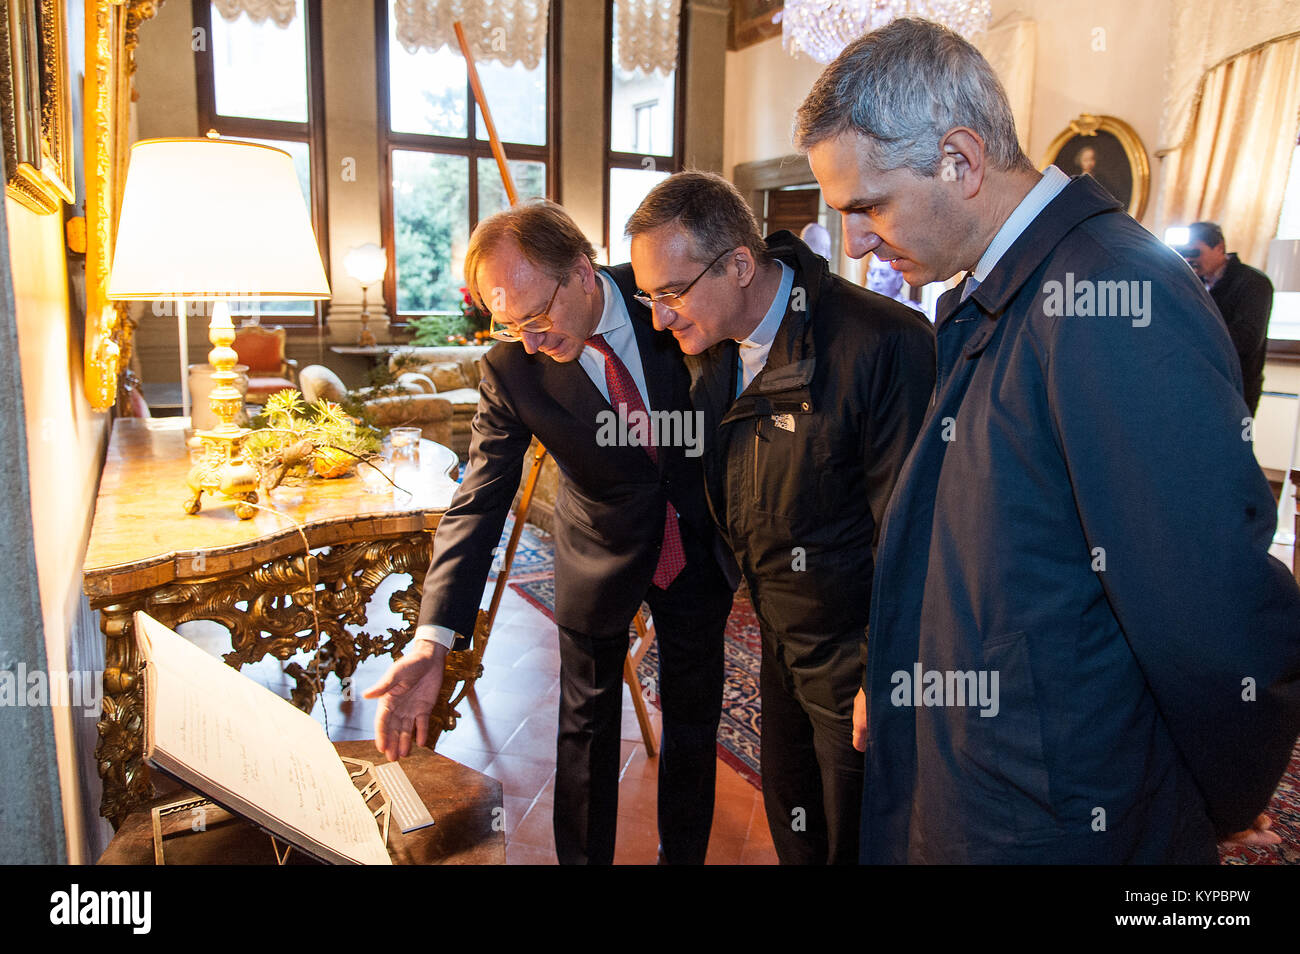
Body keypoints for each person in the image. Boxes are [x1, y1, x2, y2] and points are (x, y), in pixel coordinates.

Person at [795, 16, 1300, 863]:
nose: (855, 239)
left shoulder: (1113, 297)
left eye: (868, 204)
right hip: (988, 784)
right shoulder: (1011, 285)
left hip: (1061, 816)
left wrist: (1207, 806)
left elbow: (1209, 617)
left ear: (960, 160)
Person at [365, 200, 736, 865]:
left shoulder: (672, 297)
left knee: (691, 724)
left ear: (584, 272)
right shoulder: (512, 372)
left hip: (698, 544)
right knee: (585, 736)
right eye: (509, 326)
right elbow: (477, 503)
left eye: (537, 317)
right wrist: (432, 637)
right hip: (598, 552)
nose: (529, 341)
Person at [626, 171, 935, 863]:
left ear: (740, 264)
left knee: (858, 839)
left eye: (670, 293)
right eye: (649, 296)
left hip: (857, 654)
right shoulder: (717, 345)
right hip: (779, 633)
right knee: (795, 823)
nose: (658, 316)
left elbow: (915, 534)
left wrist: (886, 676)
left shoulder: (883, 343)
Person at [1176, 221, 1274, 415]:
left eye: (1195, 252)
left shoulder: (1253, 283)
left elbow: (1246, 339)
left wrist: (1193, 341)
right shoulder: (1192, 284)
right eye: (1184, 253)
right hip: (1198, 389)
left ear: (1219, 247)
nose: (1189, 259)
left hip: (1235, 390)